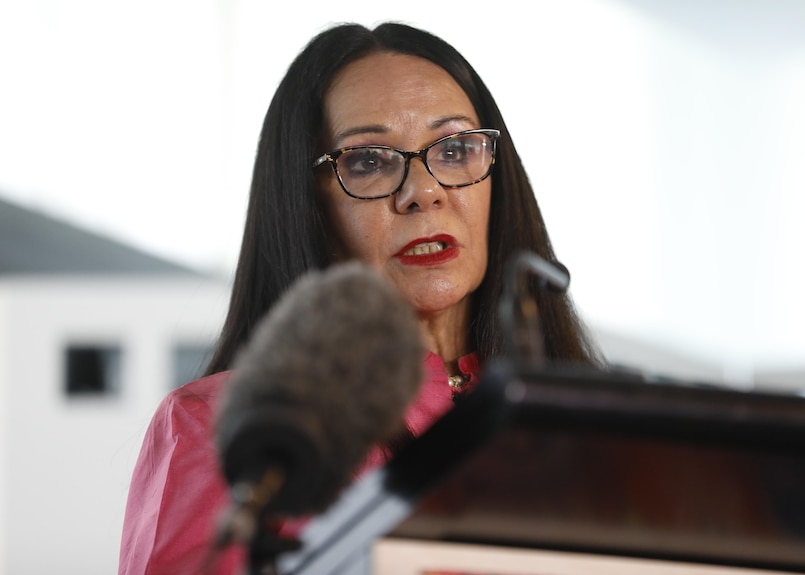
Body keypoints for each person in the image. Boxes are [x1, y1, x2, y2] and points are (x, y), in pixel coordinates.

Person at [119, 21, 602, 575]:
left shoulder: (592, 424)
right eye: (368, 161)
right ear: (307, 208)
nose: (423, 192)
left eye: (454, 149)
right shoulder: (222, 429)